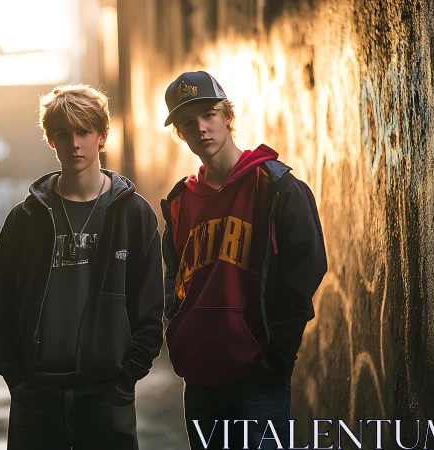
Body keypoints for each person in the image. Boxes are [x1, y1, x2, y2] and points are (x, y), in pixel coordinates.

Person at [0, 84, 164, 450]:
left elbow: (150, 305)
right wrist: (15, 376)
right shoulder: (25, 218)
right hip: (36, 394)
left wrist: (126, 378)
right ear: (51, 141)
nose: (75, 144)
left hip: (106, 393)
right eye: (63, 134)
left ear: (102, 136)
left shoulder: (133, 215)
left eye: (84, 131)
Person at [160, 71, 327, 449]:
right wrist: (182, 330)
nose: (201, 128)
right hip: (201, 375)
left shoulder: (276, 187)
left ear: (228, 117)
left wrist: (277, 350)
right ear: (180, 133)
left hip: (258, 374)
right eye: (188, 122)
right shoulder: (180, 202)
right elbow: (175, 276)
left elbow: (307, 266)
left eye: (210, 115)